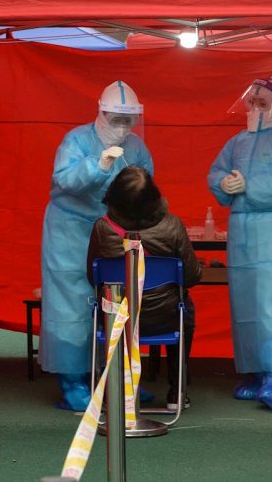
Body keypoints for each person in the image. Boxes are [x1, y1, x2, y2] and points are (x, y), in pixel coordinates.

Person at [39, 80, 153, 411]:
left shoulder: (137, 147)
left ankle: (117, 377)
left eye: (127, 119)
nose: (122, 126)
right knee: (71, 304)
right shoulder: (76, 141)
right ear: (100, 113)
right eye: (115, 118)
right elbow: (66, 180)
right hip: (70, 231)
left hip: (113, 231)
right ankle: (73, 380)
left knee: (117, 302)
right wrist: (99, 165)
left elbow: (145, 184)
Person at [207, 73, 272, 412]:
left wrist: (248, 185)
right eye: (252, 101)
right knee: (247, 302)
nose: (255, 107)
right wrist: (224, 183)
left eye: (262, 102)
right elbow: (215, 171)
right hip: (242, 232)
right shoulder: (237, 142)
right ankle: (255, 371)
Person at [87, 166, 202, 410]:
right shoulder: (173, 226)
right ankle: (176, 391)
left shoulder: (102, 228)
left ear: (114, 197)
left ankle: (113, 391)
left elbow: (93, 277)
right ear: (153, 196)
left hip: (117, 319)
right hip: (164, 318)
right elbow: (192, 276)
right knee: (184, 311)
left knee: (107, 305)